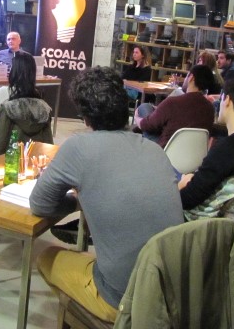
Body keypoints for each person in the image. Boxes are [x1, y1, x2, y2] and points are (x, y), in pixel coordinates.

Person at [29, 66, 183, 322]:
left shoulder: (78, 147)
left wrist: (77, 201)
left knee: (47, 257)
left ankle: (81, 320)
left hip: (124, 299)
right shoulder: (155, 150)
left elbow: (39, 204)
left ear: (85, 117)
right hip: (173, 292)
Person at [178, 77, 234, 213]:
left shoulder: (229, 148)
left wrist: (180, 185)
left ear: (228, 100)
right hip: (225, 218)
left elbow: (188, 199)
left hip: (197, 218)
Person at [0, 52, 52, 155]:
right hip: (35, 148)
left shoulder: (3, 92)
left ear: (14, 71)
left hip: (8, 146)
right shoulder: (39, 96)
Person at [134, 64, 215, 148]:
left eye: (186, 76)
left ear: (191, 77)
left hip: (165, 150)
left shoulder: (173, 102)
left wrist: (137, 118)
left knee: (144, 107)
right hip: (194, 152)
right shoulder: (210, 108)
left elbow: (147, 125)